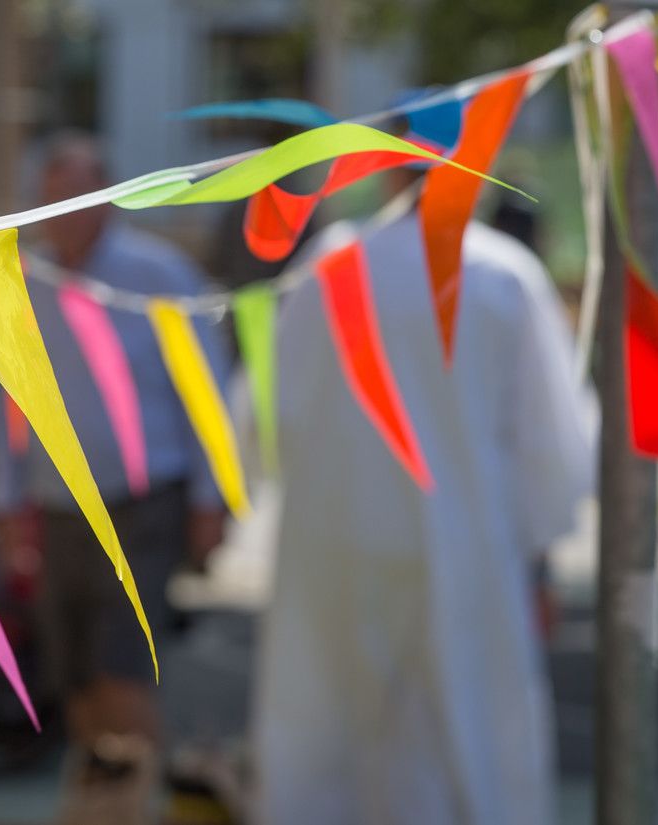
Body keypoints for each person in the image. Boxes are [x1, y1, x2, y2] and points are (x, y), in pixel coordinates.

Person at [254, 177, 593, 825]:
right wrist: (541, 555)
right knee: (466, 735)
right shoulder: (504, 274)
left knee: (335, 732)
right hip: (468, 539)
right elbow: (551, 439)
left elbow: (270, 412)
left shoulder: (331, 263)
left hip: (336, 540)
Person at [0, 132, 228, 825]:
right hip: (58, 503)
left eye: (77, 195)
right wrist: (6, 502)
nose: (64, 210)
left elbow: (204, 389)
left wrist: (213, 499)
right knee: (78, 676)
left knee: (125, 669)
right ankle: (103, 806)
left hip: (143, 498)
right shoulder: (26, 281)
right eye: (52, 196)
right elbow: (8, 396)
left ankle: (149, 802)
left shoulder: (160, 275)